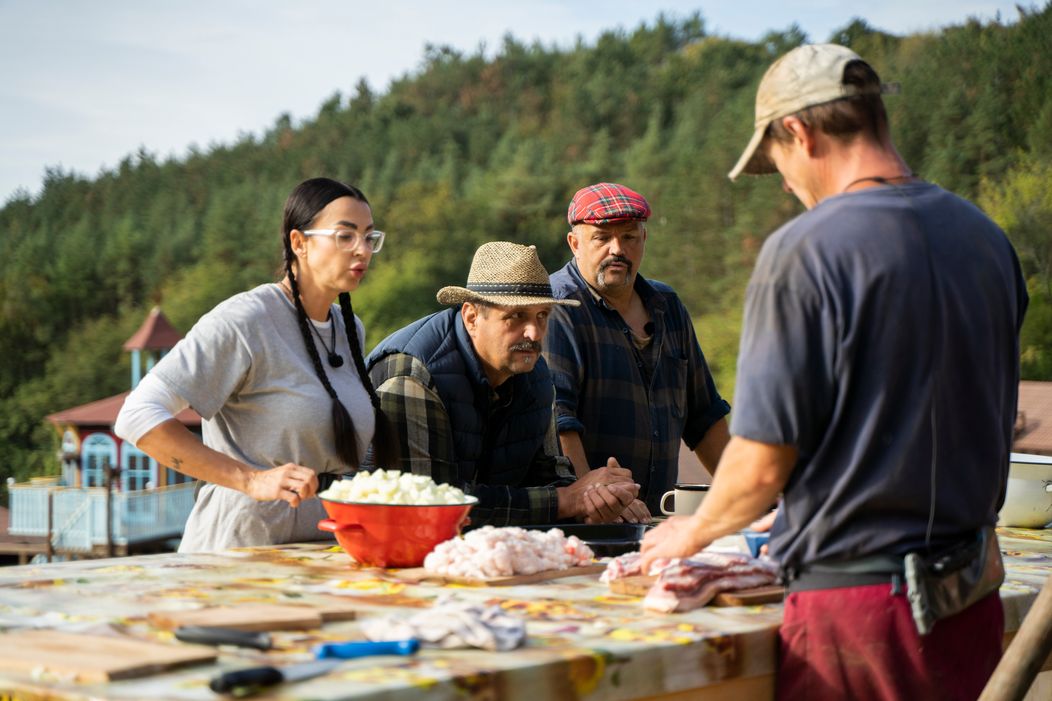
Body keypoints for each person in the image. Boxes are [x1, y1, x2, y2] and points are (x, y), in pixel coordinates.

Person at [639, 44, 1028, 700]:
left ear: (799, 131)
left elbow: (761, 467)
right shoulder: (986, 239)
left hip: (862, 614)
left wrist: (694, 530)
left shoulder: (805, 251)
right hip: (972, 598)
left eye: (779, 165)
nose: (788, 185)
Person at [115, 177, 397, 552]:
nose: (362, 250)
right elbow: (137, 415)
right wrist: (250, 480)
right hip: (240, 553)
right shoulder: (245, 320)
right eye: (345, 236)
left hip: (323, 549)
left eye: (369, 237)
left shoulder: (349, 329)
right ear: (299, 243)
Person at [366, 241, 640, 526]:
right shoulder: (413, 377)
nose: (534, 333)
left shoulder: (537, 374)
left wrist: (597, 500)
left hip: (476, 550)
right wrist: (567, 501)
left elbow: (550, 477)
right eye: (516, 316)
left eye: (542, 315)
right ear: (472, 317)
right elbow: (428, 505)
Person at [545, 182, 731, 520]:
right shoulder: (558, 306)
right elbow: (559, 422)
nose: (618, 249)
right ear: (575, 244)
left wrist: (749, 495)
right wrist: (594, 498)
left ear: (644, 239)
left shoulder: (667, 305)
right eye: (602, 238)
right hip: (588, 521)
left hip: (654, 517)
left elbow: (705, 417)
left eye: (629, 237)